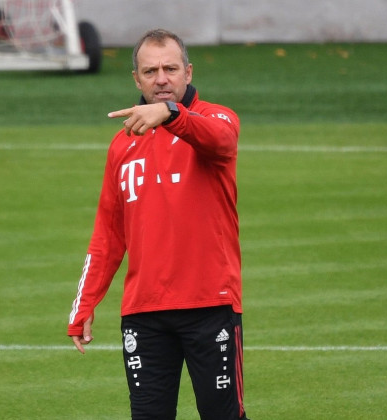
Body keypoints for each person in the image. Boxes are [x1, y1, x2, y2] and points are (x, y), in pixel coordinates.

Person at [67, 29, 250, 420]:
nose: (161, 79)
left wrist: (171, 115)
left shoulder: (216, 118)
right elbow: (108, 234)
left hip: (209, 305)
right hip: (143, 312)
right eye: (150, 71)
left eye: (170, 68)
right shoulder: (123, 144)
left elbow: (220, 141)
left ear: (188, 72)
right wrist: (85, 303)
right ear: (136, 79)